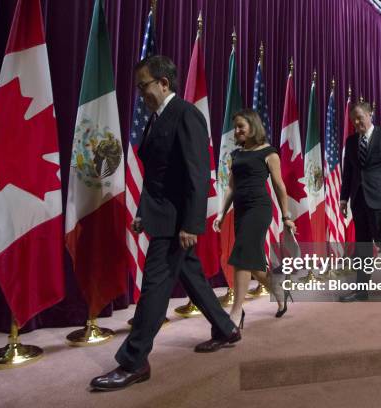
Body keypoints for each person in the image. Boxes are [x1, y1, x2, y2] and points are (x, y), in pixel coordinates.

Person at [90, 55, 240, 392]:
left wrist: (191, 223)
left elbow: (198, 174)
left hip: (177, 222)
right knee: (193, 277)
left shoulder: (186, 114)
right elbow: (156, 176)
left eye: (144, 86)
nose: (141, 93)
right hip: (161, 216)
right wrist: (143, 212)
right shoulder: (155, 119)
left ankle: (134, 361)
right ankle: (226, 328)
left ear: (164, 83)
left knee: (154, 289)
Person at [214, 109, 296, 328]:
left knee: (241, 255)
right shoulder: (237, 154)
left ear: (253, 126)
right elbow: (231, 186)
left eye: (241, 126)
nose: (237, 131)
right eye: (236, 127)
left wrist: (287, 216)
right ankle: (278, 290)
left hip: (259, 209)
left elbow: (279, 186)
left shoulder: (269, 152)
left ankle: (236, 312)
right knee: (252, 262)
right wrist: (222, 214)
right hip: (240, 211)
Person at [339, 101, 381, 302]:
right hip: (358, 199)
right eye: (353, 119)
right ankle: (361, 290)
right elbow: (348, 173)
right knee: (362, 245)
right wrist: (344, 198)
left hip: (380, 197)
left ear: (370, 114)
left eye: (360, 117)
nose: (356, 122)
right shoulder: (351, 142)